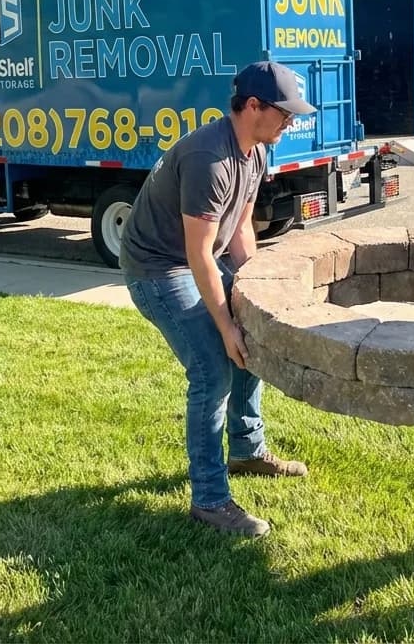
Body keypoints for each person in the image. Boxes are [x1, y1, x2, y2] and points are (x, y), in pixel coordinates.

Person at [121, 61, 316, 537]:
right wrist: (225, 325)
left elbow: (241, 230)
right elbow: (198, 255)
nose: (291, 122)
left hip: (196, 258)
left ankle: (247, 449)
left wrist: (250, 294)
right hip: (157, 269)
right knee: (213, 369)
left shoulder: (257, 151)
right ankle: (209, 499)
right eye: (284, 113)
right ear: (253, 106)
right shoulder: (210, 158)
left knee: (251, 339)